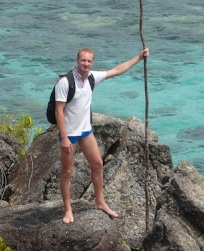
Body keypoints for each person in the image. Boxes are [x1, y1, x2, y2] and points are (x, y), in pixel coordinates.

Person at [55, 47, 149, 224]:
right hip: (70, 133)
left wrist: (138, 57)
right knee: (67, 171)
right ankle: (68, 209)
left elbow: (116, 71)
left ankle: (99, 202)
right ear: (77, 61)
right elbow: (58, 111)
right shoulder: (65, 82)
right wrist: (64, 137)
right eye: (83, 60)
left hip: (85, 130)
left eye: (89, 61)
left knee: (97, 164)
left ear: (92, 62)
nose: (86, 63)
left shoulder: (91, 78)